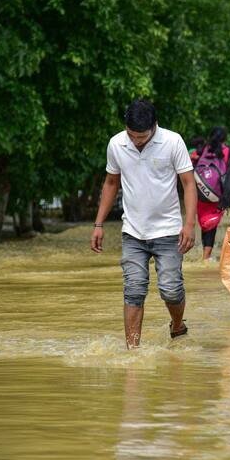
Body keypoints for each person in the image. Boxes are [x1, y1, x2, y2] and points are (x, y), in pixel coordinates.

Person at [90, 98, 197, 349]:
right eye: (132, 135)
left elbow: (188, 184)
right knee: (134, 291)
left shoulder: (173, 141)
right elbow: (110, 183)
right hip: (133, 231)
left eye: (142, 136)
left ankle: (177, 325)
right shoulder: (116, 144)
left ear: (155, 126)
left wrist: (189, 225)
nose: (136, 141)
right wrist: (98, 224)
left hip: (169, 230)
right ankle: (133, 351)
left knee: (170, 289)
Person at [193, 127, 230, 261]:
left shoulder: (201, 150)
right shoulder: (229, 152)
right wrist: (228, 200)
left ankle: (203, 254)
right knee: (211, 224)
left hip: (200, 192)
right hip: (217, 194)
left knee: (204, 223)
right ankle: (206, 257)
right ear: (225, 138)